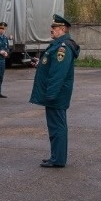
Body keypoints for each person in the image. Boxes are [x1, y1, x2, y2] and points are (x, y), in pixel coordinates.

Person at [29, 14, 80, 168]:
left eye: (54, 27)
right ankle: (56, 156)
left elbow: (58, 74)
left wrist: (50, 94)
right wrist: (40, 63)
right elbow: (52, 66)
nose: (51, 30)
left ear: (62, 29)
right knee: (55, 126)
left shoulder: (62, 48)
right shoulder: (58, 44)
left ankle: (58, 159)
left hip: (56, 95)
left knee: (57, 126)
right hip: (55, 94)